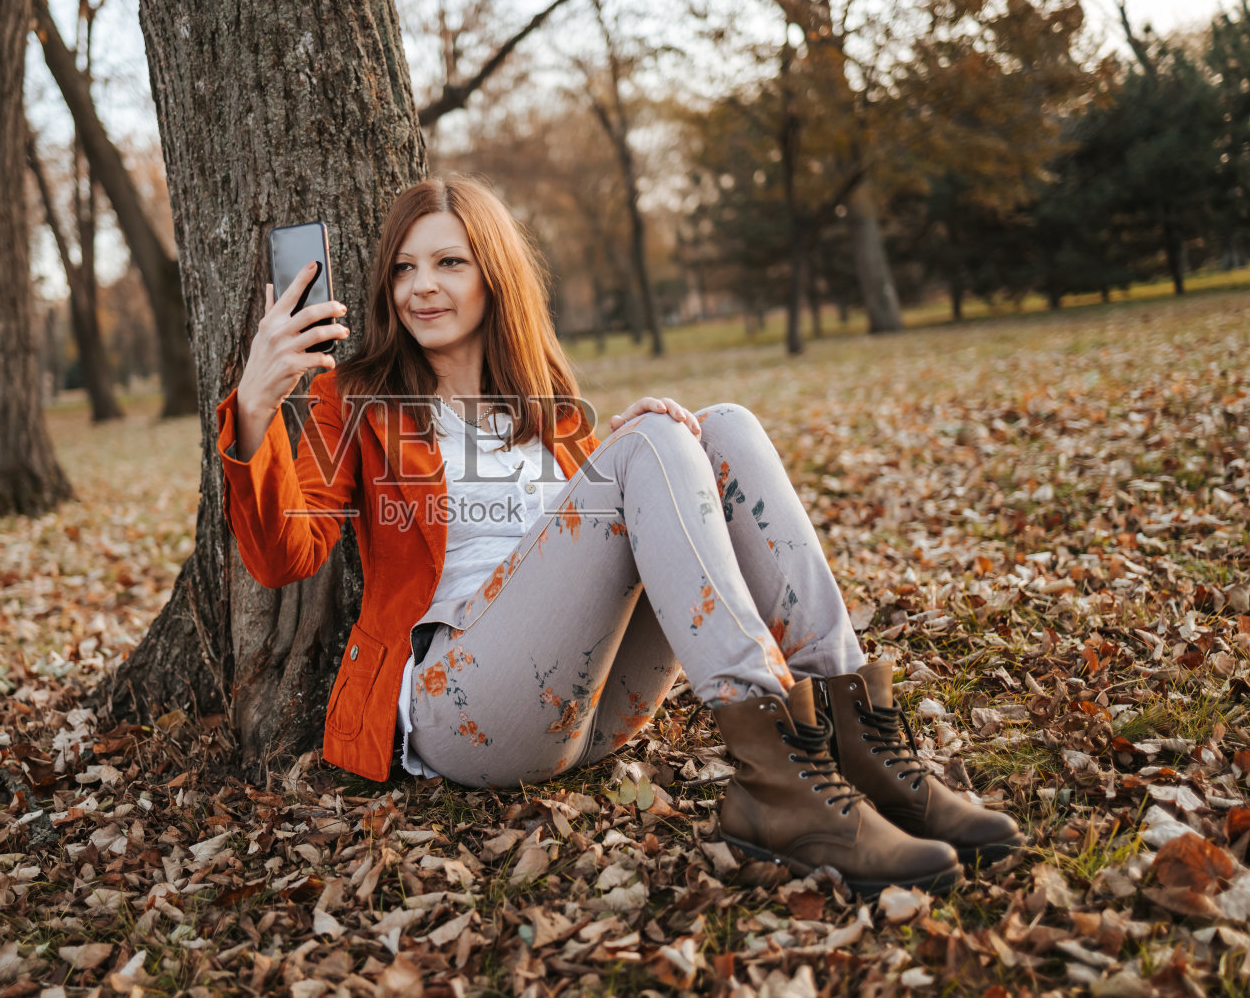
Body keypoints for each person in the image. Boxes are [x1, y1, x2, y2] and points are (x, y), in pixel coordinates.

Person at [215, 175, 1022, 897]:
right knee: (655, 443)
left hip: (593, 710)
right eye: (404, 267)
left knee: (723, 429)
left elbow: (580, 554)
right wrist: (258, 402)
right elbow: (285, 555)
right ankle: (779, 782)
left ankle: (858, 745)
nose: (422, 287)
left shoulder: (547, 398)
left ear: (494, 275)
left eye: (450, 263)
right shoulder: (355, 397)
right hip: (466, 709)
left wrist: (631, 454)